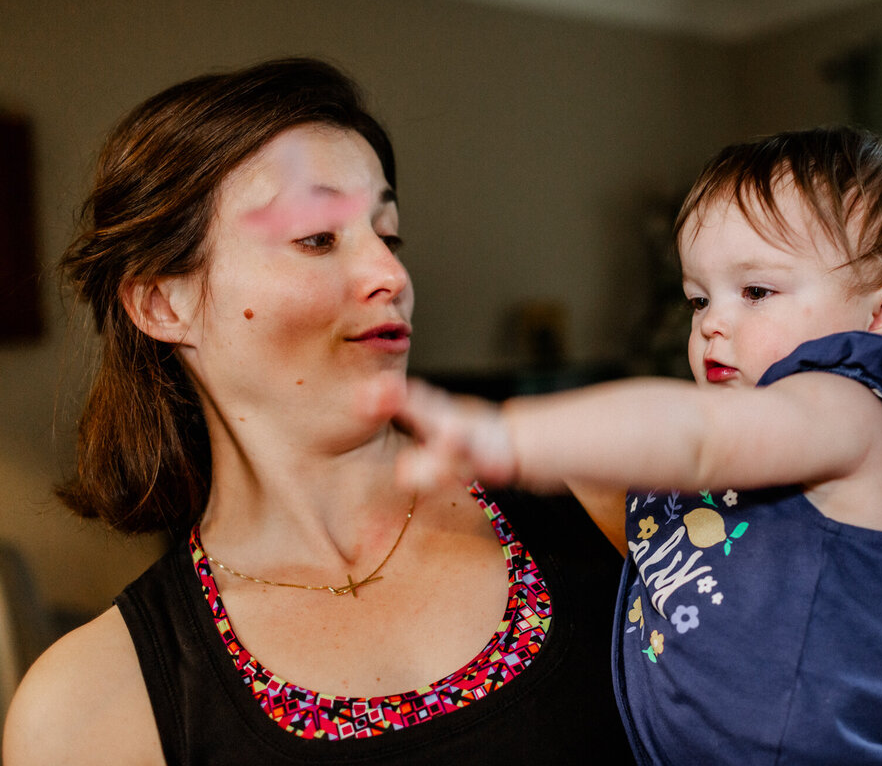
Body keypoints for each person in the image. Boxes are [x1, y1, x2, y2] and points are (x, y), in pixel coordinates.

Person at [2, 58, 634, 765]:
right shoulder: (91, 708)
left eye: (388, 236)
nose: (391, 275)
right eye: (318, 238)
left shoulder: (593, 492)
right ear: (162, 303)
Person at [395, 127, 882, 764]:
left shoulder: (854, 410)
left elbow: (695, 436)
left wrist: (515, 436)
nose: (710, 323)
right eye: (698, 297)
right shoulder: (752, 446)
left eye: (756, 291)